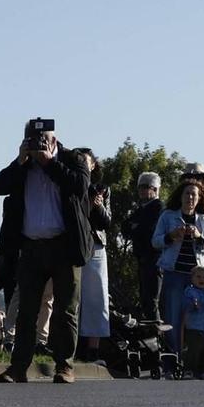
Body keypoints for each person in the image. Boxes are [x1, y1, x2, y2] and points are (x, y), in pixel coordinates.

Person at [0, 119, 94, 385]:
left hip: (65, 246)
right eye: (32, 140)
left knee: (65, 310)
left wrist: (49, 162)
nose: (38, 145)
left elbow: (80, 186)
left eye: (43, 139)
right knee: (27, 310)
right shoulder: (24, 167)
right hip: (31, 246)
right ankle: (18, 367)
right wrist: (20, 160)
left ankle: (64, 366)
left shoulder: (73, 160)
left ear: (54, 139)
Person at [152, 168, 204, 365]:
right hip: (174, 274)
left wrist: (199, 237)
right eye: (187, 193)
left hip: (197, 278)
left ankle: (193, 361)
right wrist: (171, 236)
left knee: (196, 318)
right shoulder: (167, 216)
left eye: (194, 195)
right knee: (173, 319)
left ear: (199, 199)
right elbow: (155, 241)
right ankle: (172, 362)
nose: (190, 197)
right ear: (180, 196)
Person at [75, 150, 114, 362]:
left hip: (96, 246)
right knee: (72, 296)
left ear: (93, 166)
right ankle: (70, 346)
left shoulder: (102, 189)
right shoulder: (71, 184)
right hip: (74, 245)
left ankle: (93, 350)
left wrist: (97, 205)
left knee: (96, 297)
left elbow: (106, 222)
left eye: (87, 162)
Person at [123, 171, 166, 318]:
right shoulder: (142, 208)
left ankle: (156, 336)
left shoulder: (158, 208)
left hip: (154, 260)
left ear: (155, 189)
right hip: (142, 259)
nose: (141, 190)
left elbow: (148, 231)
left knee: (152, 301)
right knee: (144, 300)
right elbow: (125, 227)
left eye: (145, 186)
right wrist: (136, 227)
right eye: (139, 186)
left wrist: (136, 227)